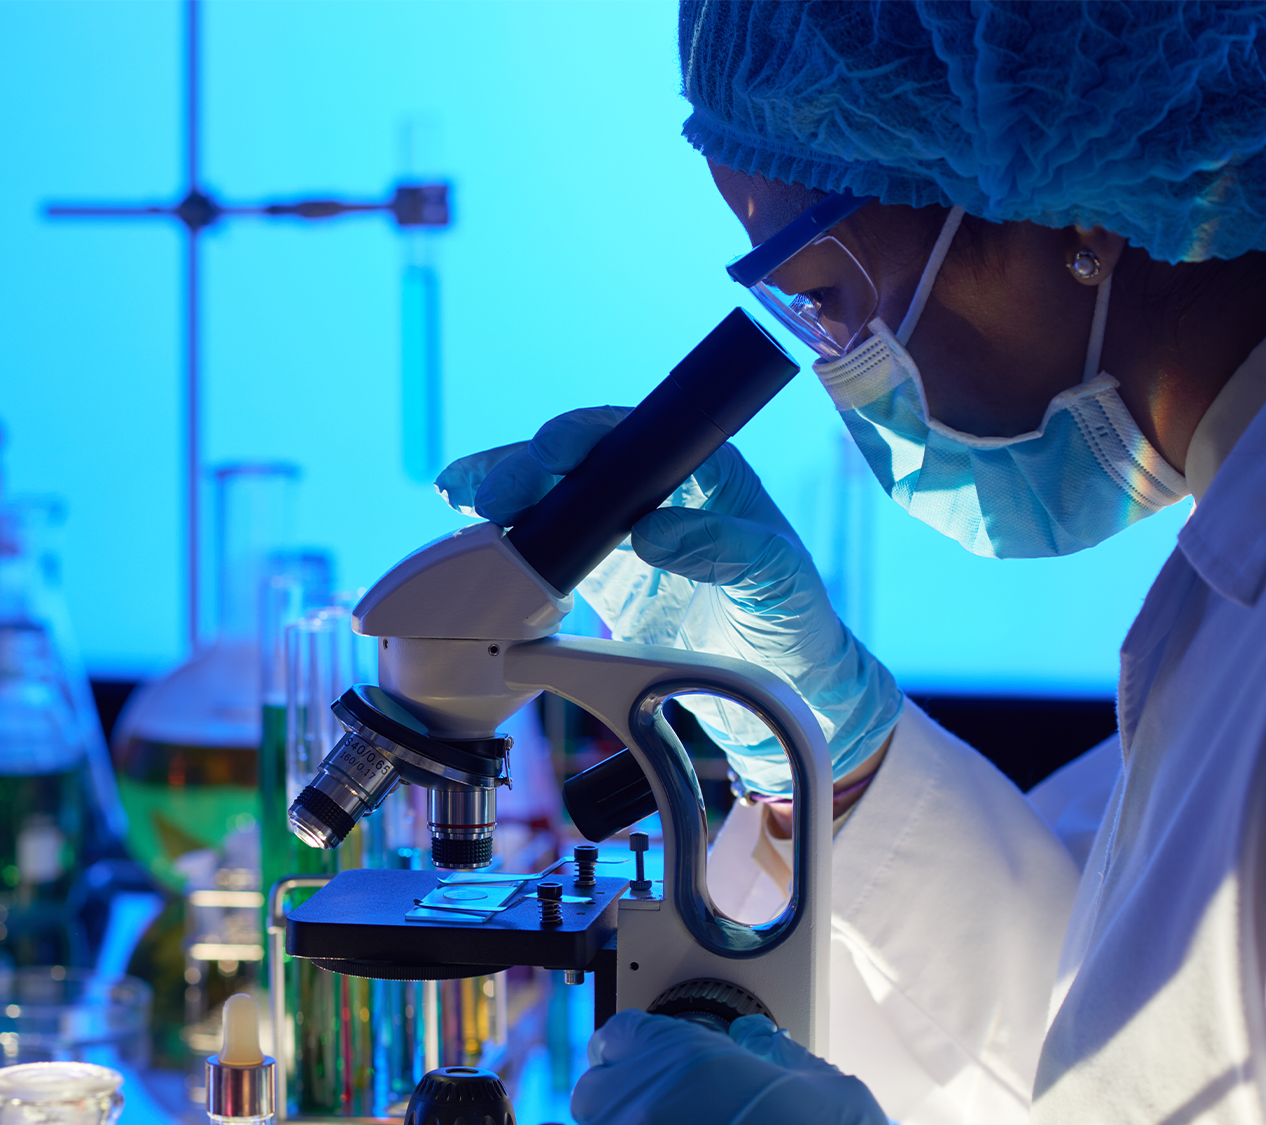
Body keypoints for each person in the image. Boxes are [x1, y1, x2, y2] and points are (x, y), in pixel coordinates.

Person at [443, 2, 1266, 1122]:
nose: (840, 364)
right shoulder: (1224, 590)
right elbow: (1111, 1028)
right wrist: (832, 759)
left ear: (1068, 209)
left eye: (823, 298)